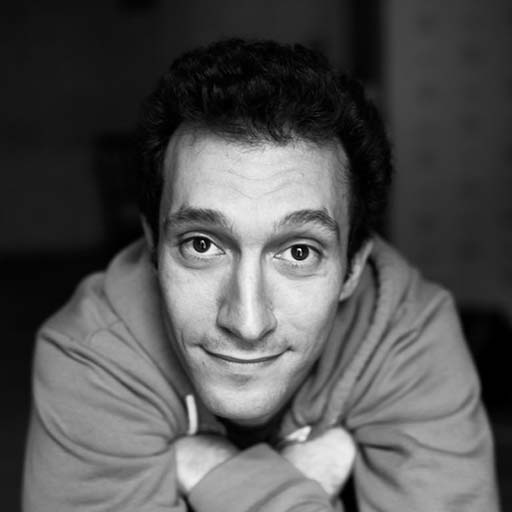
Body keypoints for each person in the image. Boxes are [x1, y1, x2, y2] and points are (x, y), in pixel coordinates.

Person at [23, 38, 499, 511]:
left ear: (353, 268)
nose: (247, 322)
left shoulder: (408, 332)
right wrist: (307, 480)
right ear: (152, 247)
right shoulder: (90, 357)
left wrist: (214, 471)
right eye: (201, 245)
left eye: (298, 252)